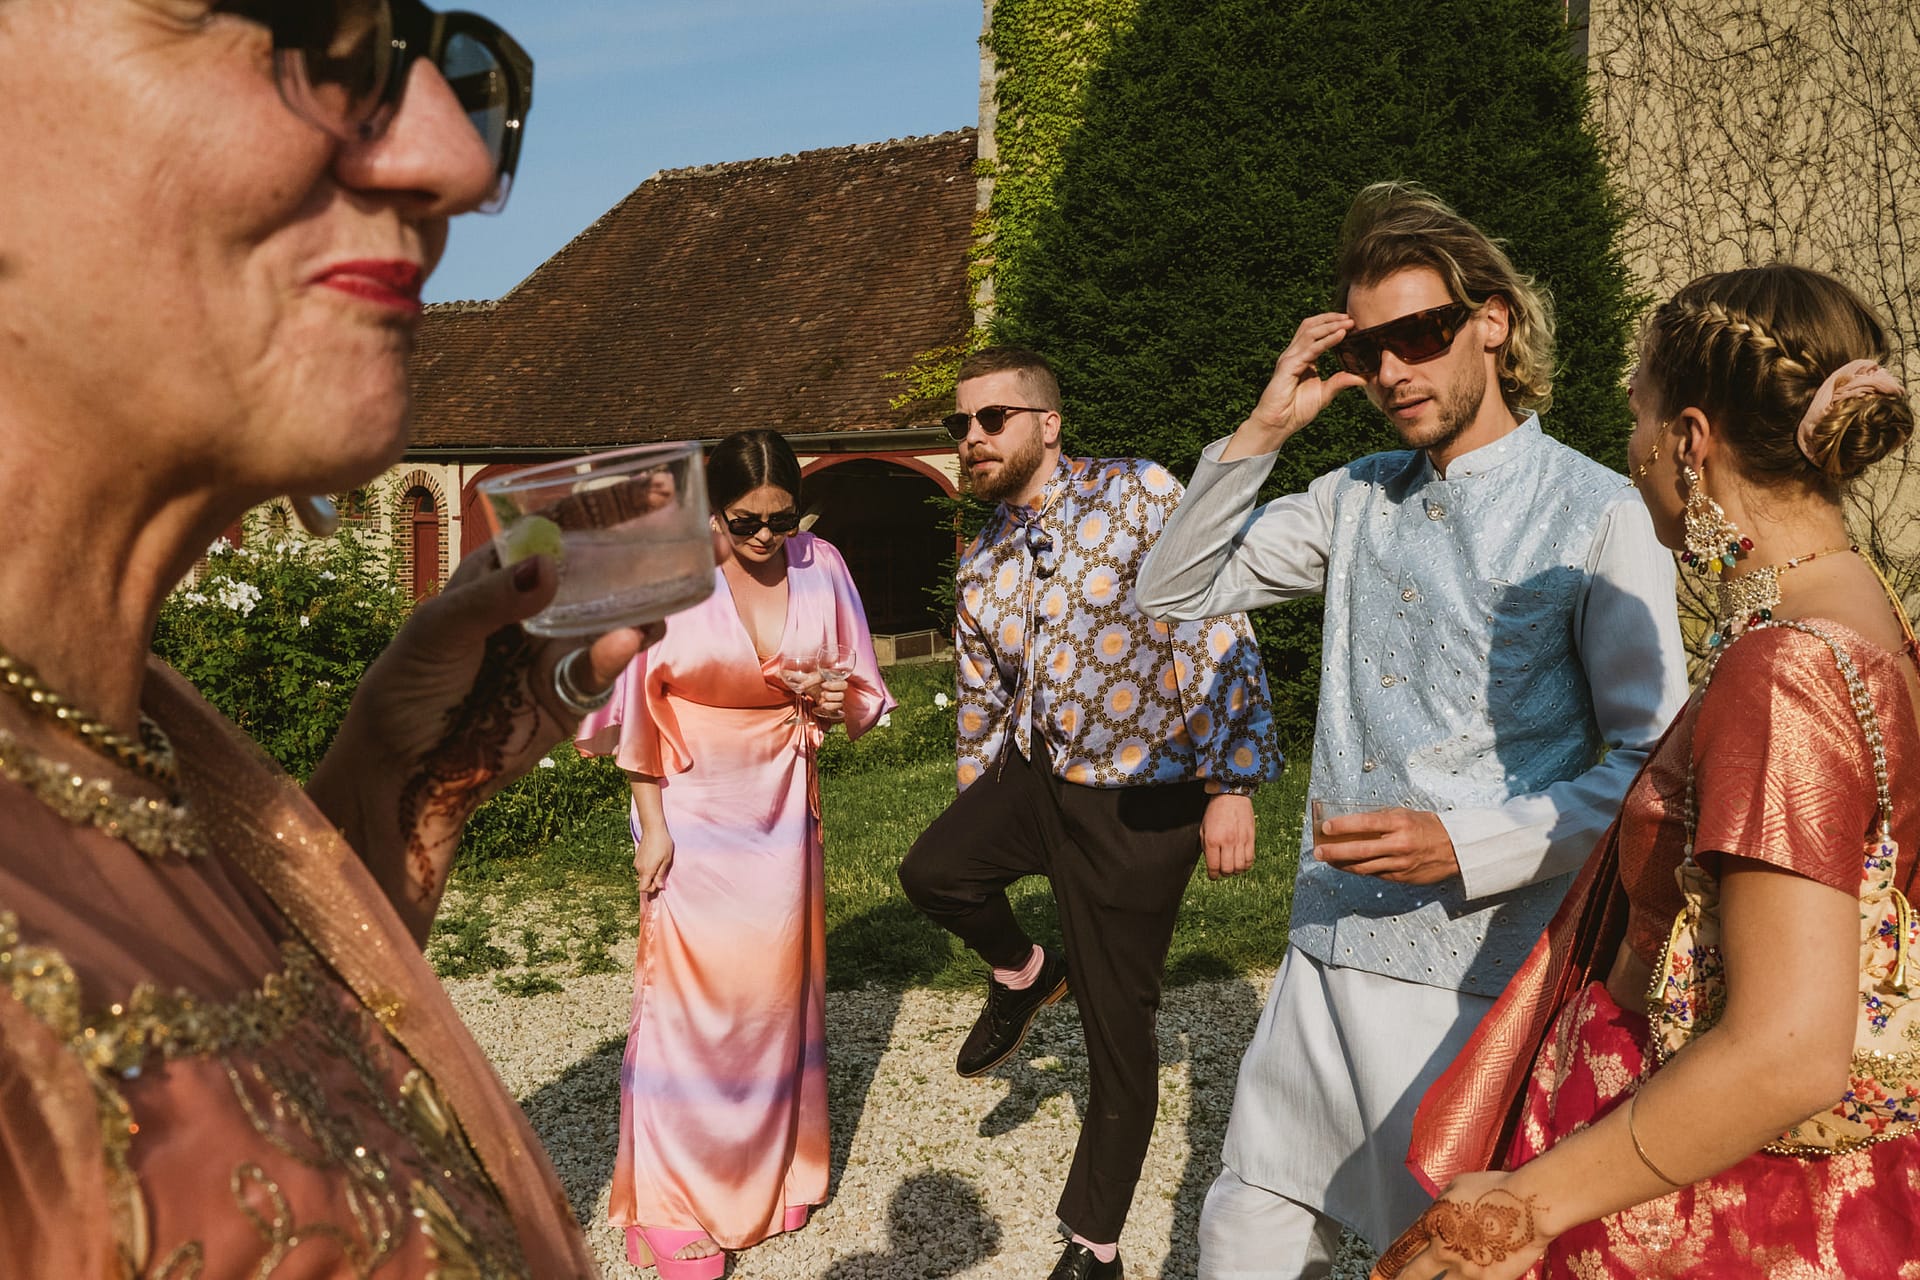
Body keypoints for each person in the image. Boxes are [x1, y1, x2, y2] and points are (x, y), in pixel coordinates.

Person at [0, 4, 645, 1274]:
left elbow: (264, 1061)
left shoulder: (128, 726)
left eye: (456, 71)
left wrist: (404, 780)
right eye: (310, 31)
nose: (451, 160)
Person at [1133, 182, 1689, 1278]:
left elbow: (1651, 769)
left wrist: (1466, 846)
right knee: (1245, 1217)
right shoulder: (1353, 494)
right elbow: (1175, 585)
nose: (1393, 372)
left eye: (1422, 335)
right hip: (1324, 944)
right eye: (1374, 347)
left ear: (1495, 321)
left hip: (1473, 969)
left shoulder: (1597, 512)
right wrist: (1264, 428)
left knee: (1435, 1253)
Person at [1381, 265, 1919, 1278]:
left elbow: (1786, 1043)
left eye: (1639, 416)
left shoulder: (1787, 664)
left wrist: (1520, 1211)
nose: (1631, 454)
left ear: (1691, 440)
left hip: (1708, 1192)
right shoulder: (1865, 606)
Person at [898, 345, 1283, 1280]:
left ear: (1047, 423)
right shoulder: (985, 550)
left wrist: (1232, 782)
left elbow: (1218, 626)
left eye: (992, 419)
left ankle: (1094, 1245)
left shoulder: (1140, 491)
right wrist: (977, 812)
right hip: (1035, 779)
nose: (972, 439)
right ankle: (1026, 971)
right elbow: (984, 690)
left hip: (1143, 802)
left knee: (1119, 1029)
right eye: (960, 426)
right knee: (934, 872)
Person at [576, 429, 894, 1278]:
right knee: (689, 1009)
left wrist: (830, 700)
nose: (763, 537)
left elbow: (862, 690)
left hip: (785, 804)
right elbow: (633, 709)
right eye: (744, 519)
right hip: (689, 804)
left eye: (781, 518)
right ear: (709, 508)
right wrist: (653, 825)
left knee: (773, 998)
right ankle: (677, 1205)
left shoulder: (820, 564)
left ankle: (775, 1167)